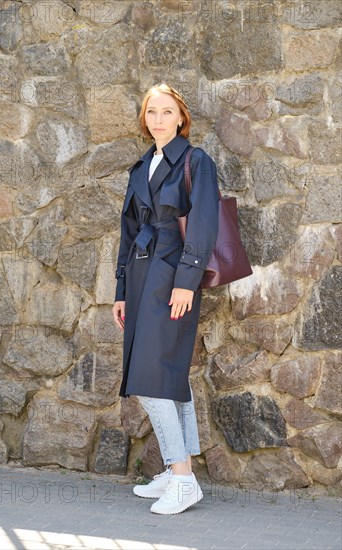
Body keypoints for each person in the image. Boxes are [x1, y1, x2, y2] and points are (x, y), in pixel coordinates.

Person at [112, 83, 219, 514]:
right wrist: (121, 290)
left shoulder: (197, 162)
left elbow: (205, 225)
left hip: (172, 277)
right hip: (140, 279)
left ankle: (181, 476)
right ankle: (181, 471)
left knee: (152, 377)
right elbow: (126, 231)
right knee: (170, 376)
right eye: (151, 112)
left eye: (166, 112)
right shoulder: (141, 167)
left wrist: (185, 283)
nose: (158, 119)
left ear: (181, 117)